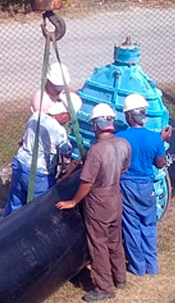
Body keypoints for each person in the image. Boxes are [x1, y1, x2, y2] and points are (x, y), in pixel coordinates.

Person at [56, 103, 131, 302]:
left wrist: (73, 201)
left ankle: (104, 288)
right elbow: (124, 169)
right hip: (116, 196)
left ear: (97, 124)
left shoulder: (98, 150)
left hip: (99, 202)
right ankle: (120, 277)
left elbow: (87, 182)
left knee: (98, 244)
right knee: (115, 240)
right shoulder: (124, 144)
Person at [116, 93, 171, 276]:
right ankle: (152, 265)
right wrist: (160, 141)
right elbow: (160, 163)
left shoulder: (120, 137)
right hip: (146, 186)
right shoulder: (154, 138)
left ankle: (137, 267)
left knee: (131, 225)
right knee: (148, 223)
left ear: (129, 116)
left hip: (126, 186)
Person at [3, 92, 83, 218]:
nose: (68, 121)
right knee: (41, 207)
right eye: (69, 117)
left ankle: (5, 228)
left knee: (16, 200)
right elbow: (66, 150)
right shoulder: (58, 130)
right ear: (63, 115)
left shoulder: (36, 116)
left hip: (20, 163)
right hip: (38, 172)